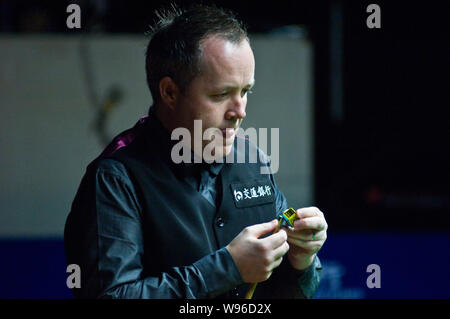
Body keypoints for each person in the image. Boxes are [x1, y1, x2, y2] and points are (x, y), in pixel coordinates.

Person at [64, 3, 327, 299]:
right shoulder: (116, 178)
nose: (239, 111)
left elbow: (284, 292)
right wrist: (226, 268)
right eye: (221, 94)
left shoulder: (253, 161)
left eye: (245, 91)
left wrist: (302, 261)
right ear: (170, 93)